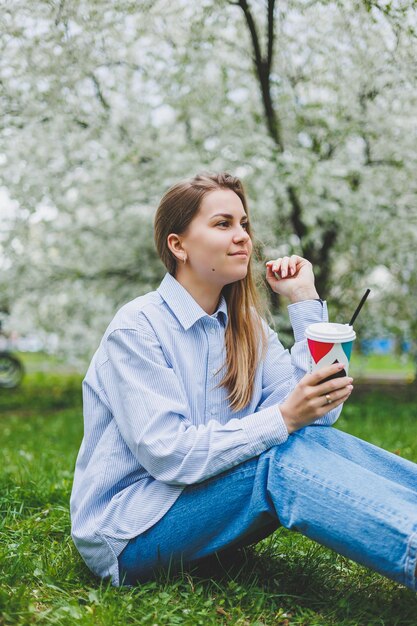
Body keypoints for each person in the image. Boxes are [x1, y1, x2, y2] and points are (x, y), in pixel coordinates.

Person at [70, 172, 417, 591]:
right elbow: (170, 455)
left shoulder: (247, 326)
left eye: (244, 224)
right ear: (177, 245)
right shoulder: (138, 329)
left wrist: (304, 300)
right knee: (277, 459)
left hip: (202, 508)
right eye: (223, 224)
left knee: (307, 442)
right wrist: (285, 419)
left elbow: (316, 421)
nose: (242, 237)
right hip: (130, 530)